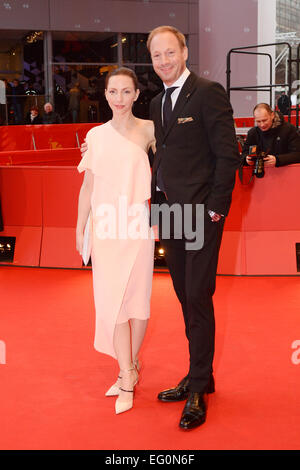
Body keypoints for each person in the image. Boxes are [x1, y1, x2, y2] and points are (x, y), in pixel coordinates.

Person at [147, 25, 239, 430]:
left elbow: (227, 155)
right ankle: (200, 374)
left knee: (198, 297)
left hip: (202, 213)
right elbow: (162, 155)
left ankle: (198, 387)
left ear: (184, 51)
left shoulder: (207, 92)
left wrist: (217, 210)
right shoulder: (154, 102)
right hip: (168, 212)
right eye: (156, 56)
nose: (163, 61)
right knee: (184, 295)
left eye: (170, 52)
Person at [76, 67, 155, 415]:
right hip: (106, 228)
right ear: (105, 95)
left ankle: (132, 365)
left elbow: (184, 152)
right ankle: (125, 375)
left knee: (138, 304)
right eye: (113, 92)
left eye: (126, 92)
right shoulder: (95, 136)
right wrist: (80, 227)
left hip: (137, 225)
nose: (119, 99)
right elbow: (87, 187)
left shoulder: (151, 130)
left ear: (137, 95)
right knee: (114, 305)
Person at [242, 103, 300, 167]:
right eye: (258, 121)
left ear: (272, 115)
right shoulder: (253, 133)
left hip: (286, 173)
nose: (262, 125)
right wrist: (246, 160)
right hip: (260, 175)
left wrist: (277, 160)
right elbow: (244, 154)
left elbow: (297, 154)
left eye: (265, 120)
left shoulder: (288, 129)